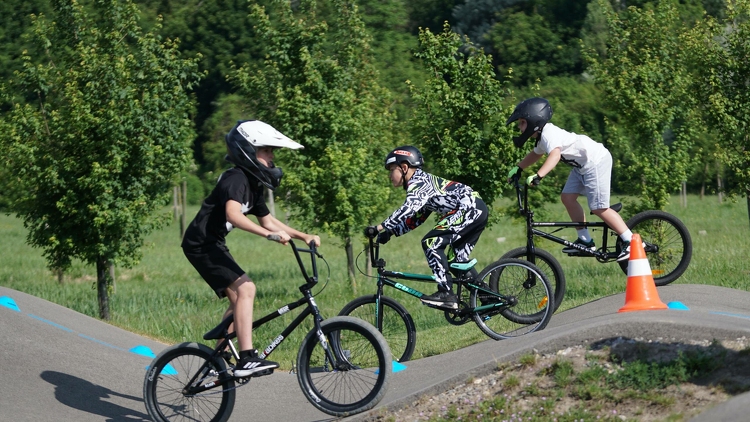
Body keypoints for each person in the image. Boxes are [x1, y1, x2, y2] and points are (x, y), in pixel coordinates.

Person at [181, 120, 321, 378]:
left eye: (272, 152)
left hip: (213, 243)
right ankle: (246, 358)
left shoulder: (253, 183)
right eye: (266, 151)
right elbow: (234, 215)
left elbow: (268, 220)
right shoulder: (235, 179)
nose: (272, 157)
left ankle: (219, 357)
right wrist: (269, 235)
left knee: (238, 299)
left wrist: (303, 236)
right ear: (247, 149)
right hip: (200, 244)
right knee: (247, 288)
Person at [505, 97, 634, 261]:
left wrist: (539, 175)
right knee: (567, 197)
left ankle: (631, 242)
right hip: (581, 167)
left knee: (599, 208)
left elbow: (555, 155)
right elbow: (536, 153)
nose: (519, 127)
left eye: (522, 122)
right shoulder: (542, 137)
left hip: (595, 161)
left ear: (533, 121)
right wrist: (519, 168)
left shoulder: (549, 134)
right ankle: (586, 241)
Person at [369, 146, 488, 310]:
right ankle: (487, 297)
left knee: (431, 242)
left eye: (391, 170)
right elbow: (416, 218)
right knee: (455, 261)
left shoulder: (419, 183)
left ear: (404, 168)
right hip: (476, 210)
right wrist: (391, 232)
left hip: (469, 210)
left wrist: (380, 227)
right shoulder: (424, 185)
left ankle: (446, 293)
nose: (390, 176)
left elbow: (408, 208)